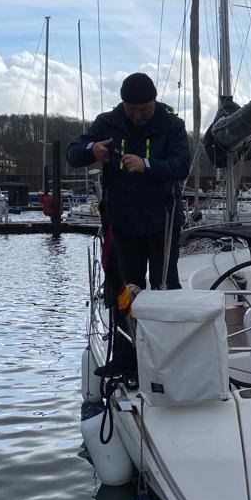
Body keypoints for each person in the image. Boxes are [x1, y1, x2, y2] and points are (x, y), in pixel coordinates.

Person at [67, 72, 190, 372]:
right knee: (121, 290)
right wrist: (91, 150)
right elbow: (73, 154)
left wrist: (147, 165)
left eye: (143, 110)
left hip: (162, 221)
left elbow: (182, 164)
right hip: (121, 224)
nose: (137, 115)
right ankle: (124, 357)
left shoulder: (171, 125)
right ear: (123, 104)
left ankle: (166, 357)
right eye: (131, 109)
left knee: (165, 288)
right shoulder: (107, 123)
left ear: (154, 102)